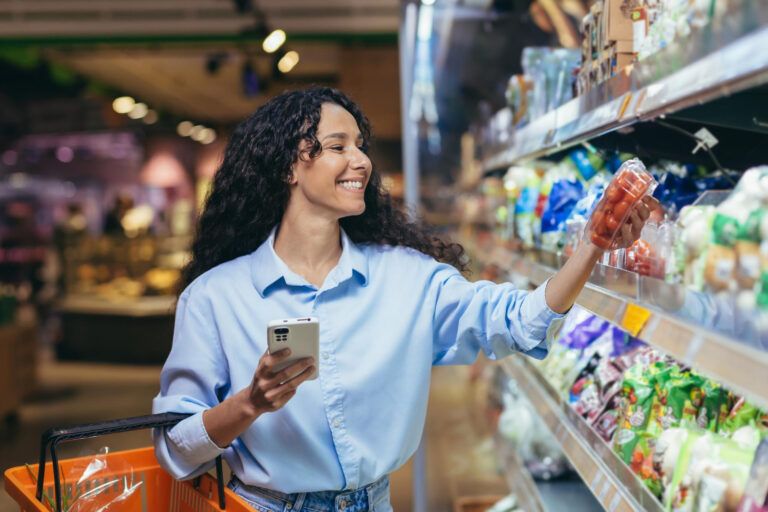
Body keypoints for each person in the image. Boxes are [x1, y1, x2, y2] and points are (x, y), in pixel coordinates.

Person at [152, 87, 656, 512]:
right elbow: (175, 448)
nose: (361, 160)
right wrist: (249, 403)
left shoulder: (407, 279)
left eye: (361, 144)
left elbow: (519, 322)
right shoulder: (216, 298)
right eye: (337, 146)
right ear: (289, 167)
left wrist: (593, 243)